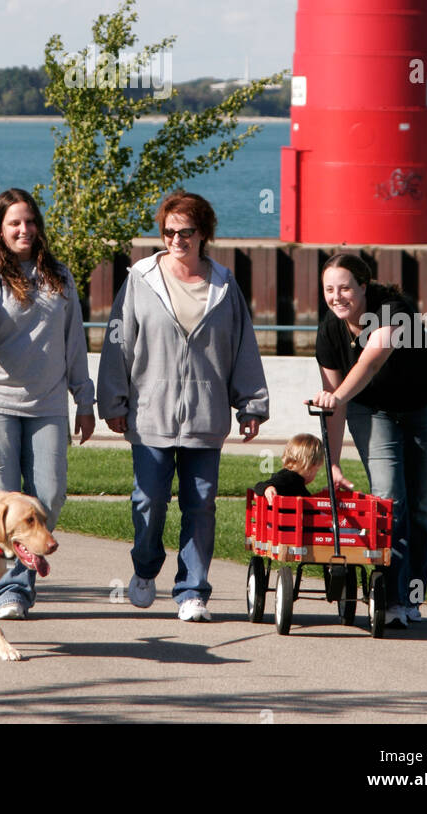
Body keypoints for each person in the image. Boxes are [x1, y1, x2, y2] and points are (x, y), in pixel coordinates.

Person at [97, 190, 270, 622]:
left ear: (203, 233)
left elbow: (242, 347)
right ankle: (144, 566)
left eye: (186, 232)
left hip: (206, 417)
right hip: (149, 414)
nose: (177, 239)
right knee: (148, 500)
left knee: (201, 505)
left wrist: (251, 404)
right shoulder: (140, 279)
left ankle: (192, 590)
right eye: (169, 231)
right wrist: (112, 399)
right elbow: (118, 341)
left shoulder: (224, 286)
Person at [0, 188, 95, 620]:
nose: (24, 230)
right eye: (14, 223)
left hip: (47, 400)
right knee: (1, 500)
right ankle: (8, 590)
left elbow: (74, 341)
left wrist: (84, 399)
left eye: (30, 222)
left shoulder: (59, 275)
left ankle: (11, 578)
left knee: (48, 496)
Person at [311, 251, 427, 628]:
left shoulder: (394, 309)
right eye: (328, 289)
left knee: (421, 507)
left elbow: (372, 361)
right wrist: (334, 462)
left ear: (364, 286)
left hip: (426, 403)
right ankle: (389, 600)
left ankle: (413, 597)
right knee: (390, 501)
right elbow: (333, 403)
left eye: (345, 288)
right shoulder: (329, 331)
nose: (336, 296)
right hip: (371, 409)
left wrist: (339, 395)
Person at [253, 433, 324, 504]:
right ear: (312, 466)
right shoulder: (289, 478)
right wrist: (268, 488)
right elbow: (260, 485)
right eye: (316, 471)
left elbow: (308, 502)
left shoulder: (296, 482)